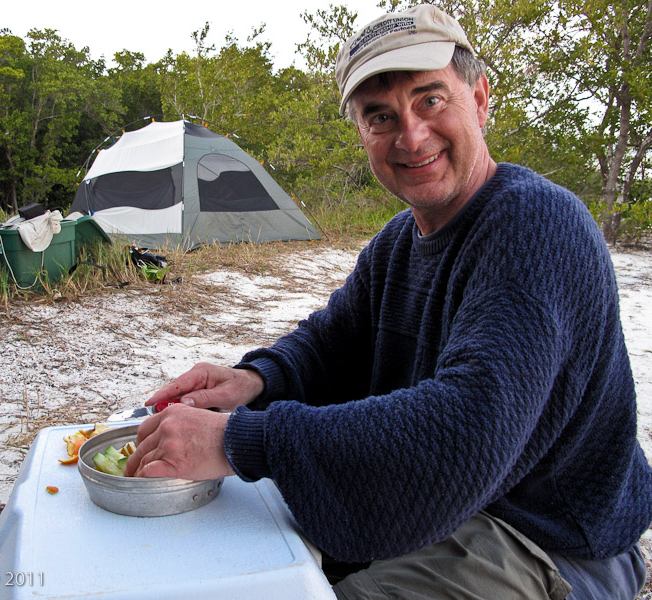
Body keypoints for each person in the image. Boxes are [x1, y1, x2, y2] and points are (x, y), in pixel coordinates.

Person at [124, 5, 652, 598]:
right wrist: (254, 380)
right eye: (381, 116)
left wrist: (236, 440)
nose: (411, 135)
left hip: (544, 538)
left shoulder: (536, 225)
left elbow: (463, 431)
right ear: (362, 135)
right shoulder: (399, 241)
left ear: (479, 99)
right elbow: (334, 341)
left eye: (430, 100)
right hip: (456, 508)